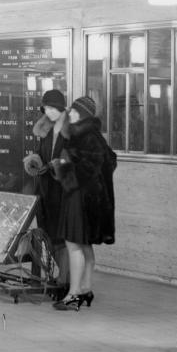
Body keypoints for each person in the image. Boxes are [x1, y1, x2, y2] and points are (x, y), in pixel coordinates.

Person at [50, 96, 116, 311]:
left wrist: (61, 166)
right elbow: (109, 161)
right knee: (84, 244)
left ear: (85, 114)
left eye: (76, 112)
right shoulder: (92, 135)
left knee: (73, 243)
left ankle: (74, 294)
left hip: (80, 198)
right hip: (88, 199)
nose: (72, 114)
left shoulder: (85, 137)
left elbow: (89, 168)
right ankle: (86, 288)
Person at [23, 89, 70, 292]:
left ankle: (65, 281)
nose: (48, 112)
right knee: (47, 234)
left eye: (52, 108)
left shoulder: (72, 130)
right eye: (46, 108)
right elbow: (40, 152)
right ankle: (57, 276)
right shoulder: (45, 129)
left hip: (65, 191)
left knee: (62, 237)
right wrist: (34, 161)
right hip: (45, 189)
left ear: (61, 108)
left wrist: (56, 165)